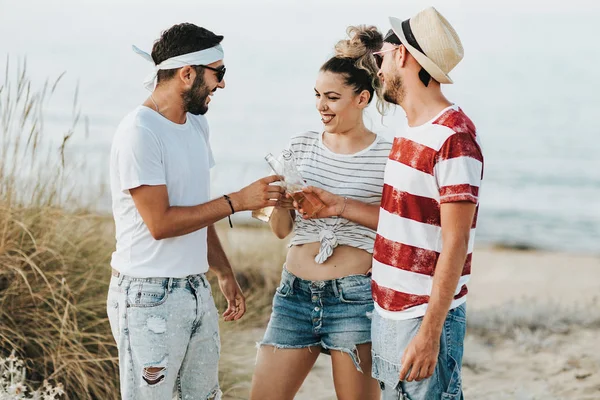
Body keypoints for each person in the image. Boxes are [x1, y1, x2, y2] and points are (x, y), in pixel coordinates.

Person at [303, 7, 484, 399]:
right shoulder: (409, 129)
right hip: (385, 311)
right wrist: (337, 206)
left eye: (382, 58)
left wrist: (430, 333)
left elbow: (456, 243)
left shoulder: (454, 138)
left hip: (421, 318)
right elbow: (401, 221)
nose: (378, 69)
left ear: (403, 56)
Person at [107, 23, 284, 400]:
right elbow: (161, 223)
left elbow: (197, 212)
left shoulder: (196, 126)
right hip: (147, 295)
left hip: (194, 287)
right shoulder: (139, 131)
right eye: (217, 73)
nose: (222, 84)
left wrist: (222, 271)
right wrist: (238, 200)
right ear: (187, 74)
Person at [249, 26, 392, 400]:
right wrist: (278, 202)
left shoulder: (388, 155)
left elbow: (398, 225)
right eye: (317, 95)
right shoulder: (301, 145)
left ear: (362, 98)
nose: (321, 106)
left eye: (332, 97)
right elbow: (282, 231)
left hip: (353, 298)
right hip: (292, 295)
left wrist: (341, 207)